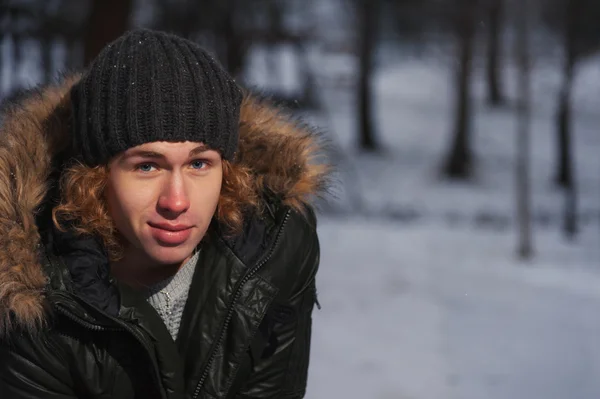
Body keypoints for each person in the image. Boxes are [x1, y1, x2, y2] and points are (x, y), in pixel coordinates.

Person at [0, 28, 328, 399]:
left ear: (228, 169)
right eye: (147, 167)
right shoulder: (29, 293)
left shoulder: (275, 246)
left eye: (199, 164)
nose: (176, 201)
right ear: (94, 178)